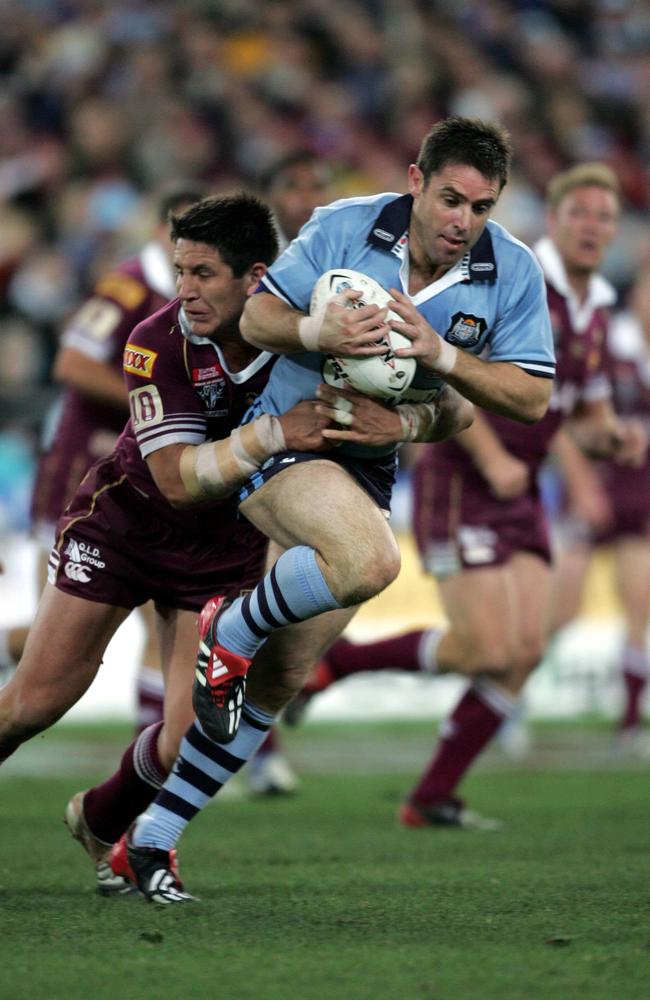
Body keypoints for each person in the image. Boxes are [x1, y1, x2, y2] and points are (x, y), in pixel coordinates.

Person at [109, 115, 558, 902]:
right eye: (450, 199)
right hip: (290, 443)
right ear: (416, 182)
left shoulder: (510, 273)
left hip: (369, 470)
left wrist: (428, 386)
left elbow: (525, 395)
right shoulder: (342, 226)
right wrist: (317, 328)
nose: (462, 221)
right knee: (370, 562)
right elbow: (257, 318)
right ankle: (234, 625)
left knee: (278, 683)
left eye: (481, 208)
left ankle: (150, 841)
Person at [0, 193, 449, 900]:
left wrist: (406, 417)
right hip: (125, 527)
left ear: (256, 278)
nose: (185, 291)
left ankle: (100, 818)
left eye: (204, 274)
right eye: (180, 271)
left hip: (223, 551)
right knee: (35, 700)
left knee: (186, 742)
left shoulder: (311, 336)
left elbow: (447, 403)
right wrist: (275, 435)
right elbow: (178, 483)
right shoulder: (155, 338)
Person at [294, 162, 646, 829]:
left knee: (524, 652)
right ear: (555, 221)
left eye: (606, 217)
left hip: (520, 489)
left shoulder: (595, 307)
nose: (595, 228)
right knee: (487, 647)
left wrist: (613, 440)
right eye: (581, 214)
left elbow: (580, 412)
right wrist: (494, 457)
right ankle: (338, 662)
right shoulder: (514, 279)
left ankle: (432, 797)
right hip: (466, 477)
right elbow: (449, 378)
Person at [0, 185, 205, 733]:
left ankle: (154, 766)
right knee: (56, 647)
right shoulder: (130, 286)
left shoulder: (198, 296)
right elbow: (72, 362)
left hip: (143, 468)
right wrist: (159, 399)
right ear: (163, 233)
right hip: (85, 468)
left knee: (166, 614)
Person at [247, 149, 336, 795]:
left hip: (318, 445)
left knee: (310, 591)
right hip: (251, 443)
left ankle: (267, 728)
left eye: (317, 184)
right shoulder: (259, 271)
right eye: (293, 182)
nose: (307, 194)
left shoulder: (344, 261)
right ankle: (258, 748)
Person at [545, 257, 650, 754]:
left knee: (639, 609)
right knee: (562, 609)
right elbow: (565, 416)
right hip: (594, 489)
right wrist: (583, 480)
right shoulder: (608, 347)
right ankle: (506, 701)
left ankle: (629, 722)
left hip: (641, 499)